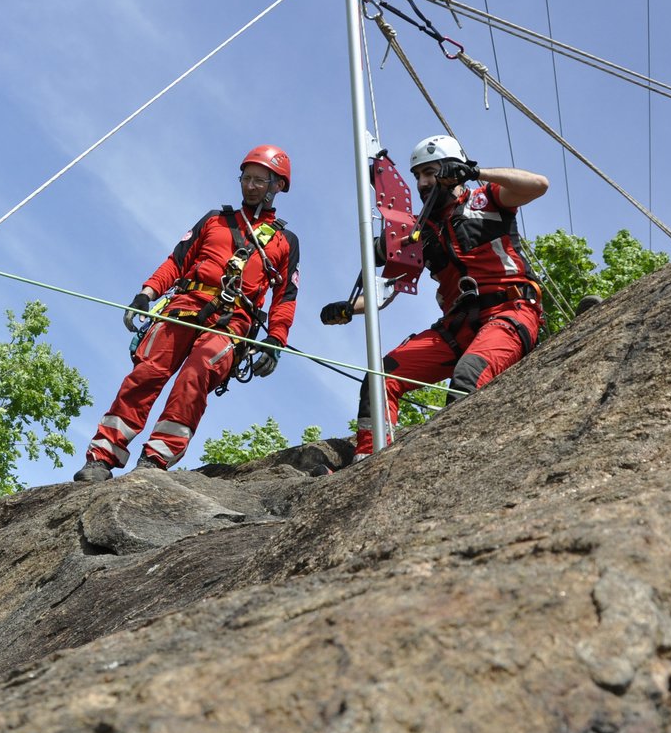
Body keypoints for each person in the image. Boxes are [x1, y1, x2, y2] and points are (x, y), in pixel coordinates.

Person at [74, 145, 300, 480]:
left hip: (233, 320)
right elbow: (178, 261)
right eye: (246, 178)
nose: (250, 186)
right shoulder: (214, 220)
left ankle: (155, 460)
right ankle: (102, 457)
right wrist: (146, 293)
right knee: (147, 373)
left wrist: (275, 341)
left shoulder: (285, 241)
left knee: (197, 374)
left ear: (277, 186)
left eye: (259, 181)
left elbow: (286, 296)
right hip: (186, 305)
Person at [320, 135, 548, 457]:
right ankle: (367, 460)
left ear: (451, 167)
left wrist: (474, 173)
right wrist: (349, 308)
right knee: (381, 376)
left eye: (430, 172)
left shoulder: (488, 198)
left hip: (510, 311)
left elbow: (538, 185)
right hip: (457, 327)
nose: (423, 183)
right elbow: (389, 292)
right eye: (417, 176)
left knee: (468, 376)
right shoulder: (420, 232)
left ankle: (461, 462)